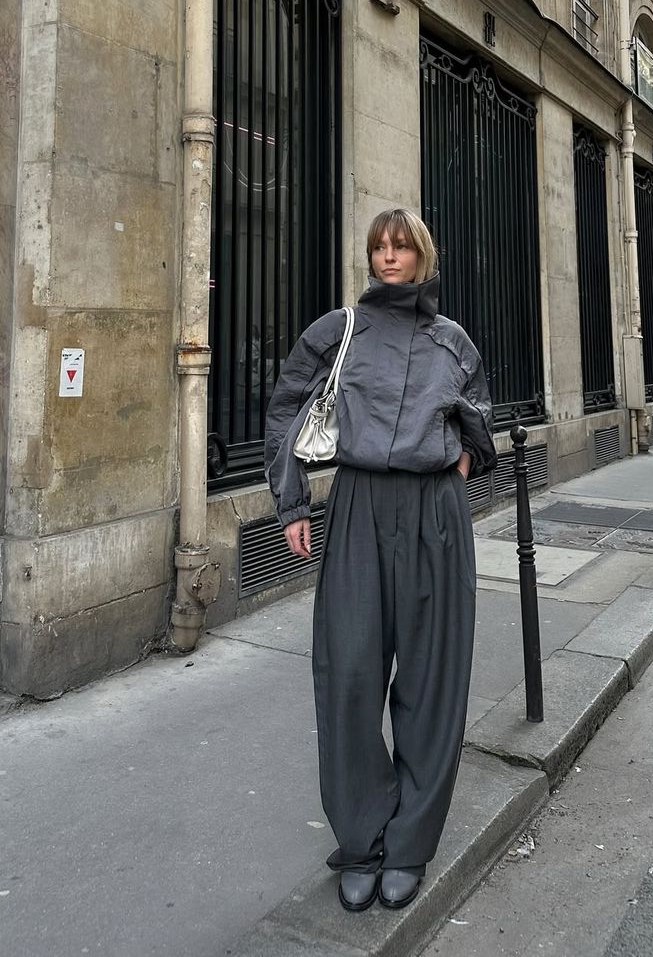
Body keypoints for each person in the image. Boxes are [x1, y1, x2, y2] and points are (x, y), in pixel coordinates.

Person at [264, 208, 496, 913]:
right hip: (359, 505)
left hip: (434, 514)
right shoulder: (337, 332)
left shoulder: (452, 342)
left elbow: (480, 424)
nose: (386, 258)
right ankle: (361, 838)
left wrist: (456, 465)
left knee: (432, 680)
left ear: (422, 255)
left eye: (399, 247)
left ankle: (411, 843)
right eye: (377, 247)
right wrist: (292, 503)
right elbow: (285, 411)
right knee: (349, 674)